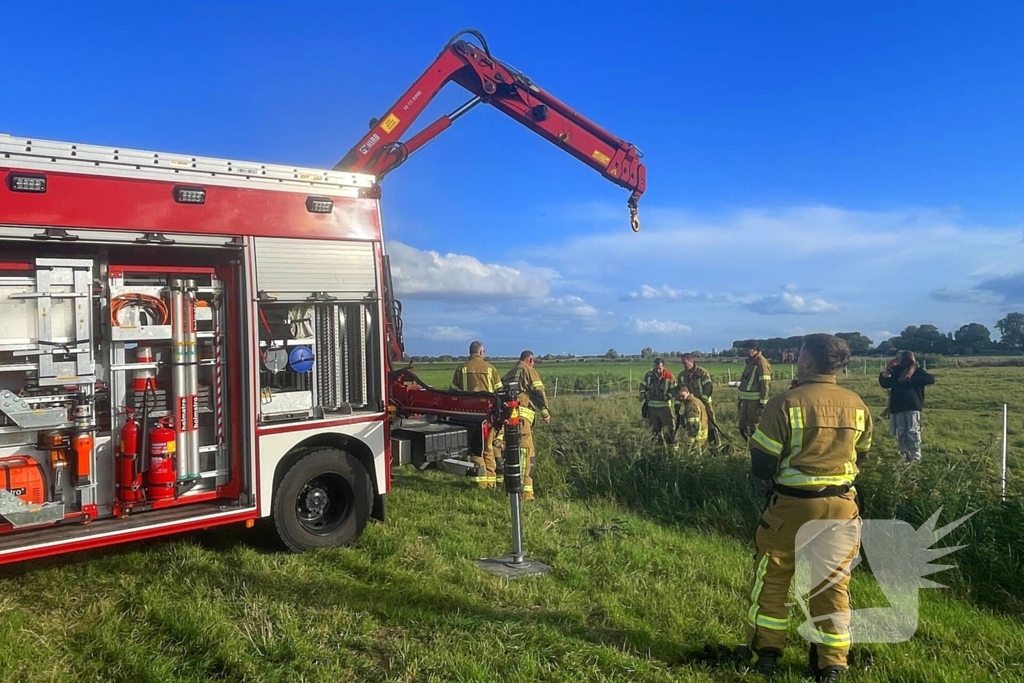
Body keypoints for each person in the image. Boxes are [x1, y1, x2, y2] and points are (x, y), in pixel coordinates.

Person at [743, 333, 872, 681]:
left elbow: (762, 464)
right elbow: (864, 453)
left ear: (809, 362)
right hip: (843, 506)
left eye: (800, 355)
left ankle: (767, 653)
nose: (797, 359)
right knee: (832, 584)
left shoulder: (786, 403)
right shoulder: (857, 404)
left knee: (773, 575)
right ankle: (831, 663)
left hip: (792, 507)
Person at [450, 341, 504, 488]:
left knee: (475, 449)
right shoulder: (491, 369)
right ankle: (491, 483)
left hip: (470, 416)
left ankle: (481, 484)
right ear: (481, 352)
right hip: (489, 416)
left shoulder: (462, 369)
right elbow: (500, 392)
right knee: (488, 449)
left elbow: (453, 391)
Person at [503, 350, 551, 501]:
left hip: (508, 418)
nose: (534, 363)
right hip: (522, 418)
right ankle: (525, 493)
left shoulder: (510, 372)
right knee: (526, 452)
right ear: (529, 360)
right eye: (534, 361)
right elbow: (538, 393)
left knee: (511, 451)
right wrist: (545, 412)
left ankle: (509, 486)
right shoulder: (528, 371)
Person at [878, 351, 934, 464]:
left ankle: (915, 456)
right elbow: (885, 383)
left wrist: (910, 380)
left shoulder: (917, 371)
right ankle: (904, 455)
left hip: (912, 405)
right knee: (902, 431)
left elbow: (930, 379)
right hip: (898, 405)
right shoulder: (896, 370)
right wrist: (887, 370)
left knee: (912, 431)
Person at [677, 353, 719, 445]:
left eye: (685, 363)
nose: (684, 365)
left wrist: (702, 401)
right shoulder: (682, 375)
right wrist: (678, 405)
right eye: (682, 363)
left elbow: (708, 387)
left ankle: (715, 447)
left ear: (691, 361)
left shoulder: (702, 372)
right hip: (689, 405)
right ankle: (695, 445)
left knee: (711, 425)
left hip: (705, 404)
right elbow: (679, 390)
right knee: (692, 424)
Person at [738, 340, 773, 440]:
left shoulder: (761, 363)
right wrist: (740, 399)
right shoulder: (750, 362)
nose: (745, 352)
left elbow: (765, 384)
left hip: (755, 402)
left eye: (747, 350)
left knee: (754, 428)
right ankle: (750, 447)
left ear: (754, 349)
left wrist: (762, 403)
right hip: (745, 401)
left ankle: (757, 449)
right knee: (742, 428)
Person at [639, 357, 676, 445]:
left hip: (665, 408)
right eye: (656, 368)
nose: (658, 370)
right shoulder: (648, 375)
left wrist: (668, 396)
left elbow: (674, 390)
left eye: (660, 368)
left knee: (669, 430)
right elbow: (643, 386)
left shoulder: (669, 376)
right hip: (652, 408)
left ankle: (670, 448)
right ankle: (657, 448)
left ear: (663, 367)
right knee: (654, 431)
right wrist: (642, 393)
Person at [676, 385, 709, 450]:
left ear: (687, 392)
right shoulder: (695, 400)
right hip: (702, 433)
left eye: (682, 396)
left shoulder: (691, 405)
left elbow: (693, 426)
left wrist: (689, 443)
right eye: (679, 397)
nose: (681, 398)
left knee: (694, 456)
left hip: (697, 437)